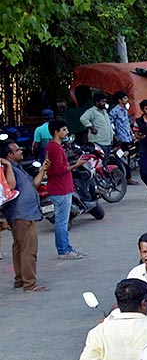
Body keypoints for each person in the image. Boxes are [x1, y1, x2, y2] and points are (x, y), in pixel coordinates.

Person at [3, 139, 45, 291]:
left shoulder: (16, 167)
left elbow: (32, 185)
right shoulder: (8, 168)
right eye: (17, 150)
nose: (21, 151)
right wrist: (7, 165)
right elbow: (11, 186)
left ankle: (21, 279)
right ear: (9, 155)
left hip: (23, 213)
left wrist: (43, 170)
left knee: (20, 248)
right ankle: (29, 284)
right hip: (23, 214)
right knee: (28, 249)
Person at [41, 118, 83, 260]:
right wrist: (76, 165)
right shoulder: (55, 148)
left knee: (62, 221)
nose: (67, 132)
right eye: (64, 130)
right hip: (60, 188)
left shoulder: (53, 147)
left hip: (59, 187)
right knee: (61, 222)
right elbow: (58, 170)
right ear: (56, 132)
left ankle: (66, 248)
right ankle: (63, 251)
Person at [79, 92, 114, 160]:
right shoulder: (91, 111)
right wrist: (91, 127)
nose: (104, 103)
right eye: (102, 101)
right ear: (97, 102)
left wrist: (113, 134)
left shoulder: (105, 112)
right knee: (99, 162)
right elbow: (83, 118)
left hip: (108, 141)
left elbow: (108, 124)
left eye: (105, 101)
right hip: (98, 142)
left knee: (105, 162)